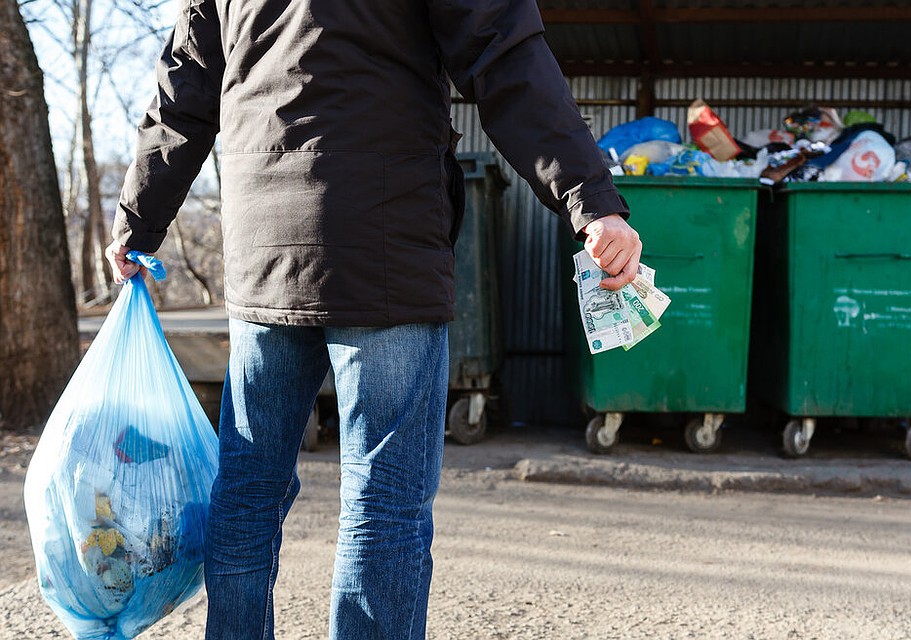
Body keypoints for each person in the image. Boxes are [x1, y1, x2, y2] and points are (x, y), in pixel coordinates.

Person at [105, 0, 641, 638]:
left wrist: (136, 222)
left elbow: (186, 84)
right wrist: (589, 196)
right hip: (385, 240)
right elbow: (505, 53)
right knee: (383, 502)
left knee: (248, 491)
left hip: (264, 243)